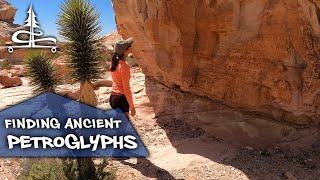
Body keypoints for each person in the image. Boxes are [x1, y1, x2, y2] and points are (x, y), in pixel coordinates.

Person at [109, 37, 136, 118]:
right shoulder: (124, 67)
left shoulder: (113, 63)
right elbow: (126, 88)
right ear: (125, 51)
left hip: (113, 98)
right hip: (121, 100)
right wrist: (132, 106)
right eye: (129, 47)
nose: (131, 47)